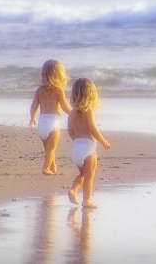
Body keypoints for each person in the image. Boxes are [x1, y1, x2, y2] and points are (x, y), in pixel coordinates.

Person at [67, 78, 111, 208]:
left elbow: (70, 131)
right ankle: (87, 200)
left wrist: (77, 142)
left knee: (82, 174)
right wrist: (103, 141)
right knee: (89, 177)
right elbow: (93, 129)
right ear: (92, 95)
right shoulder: (89, 111)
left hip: (76, 149)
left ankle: (73, 190)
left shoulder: (71, 113)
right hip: (88, 149)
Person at [29, 59, 71, 175]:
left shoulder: (39, 91)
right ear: (59, 75)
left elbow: (33, 106)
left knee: (48, 149)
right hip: (53, 123)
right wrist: (74, 113)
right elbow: (64, 107)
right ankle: (46, 168)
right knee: (51, 149)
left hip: (42, 123)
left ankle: (52, 167)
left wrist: (32, 118)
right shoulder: (58, 91)